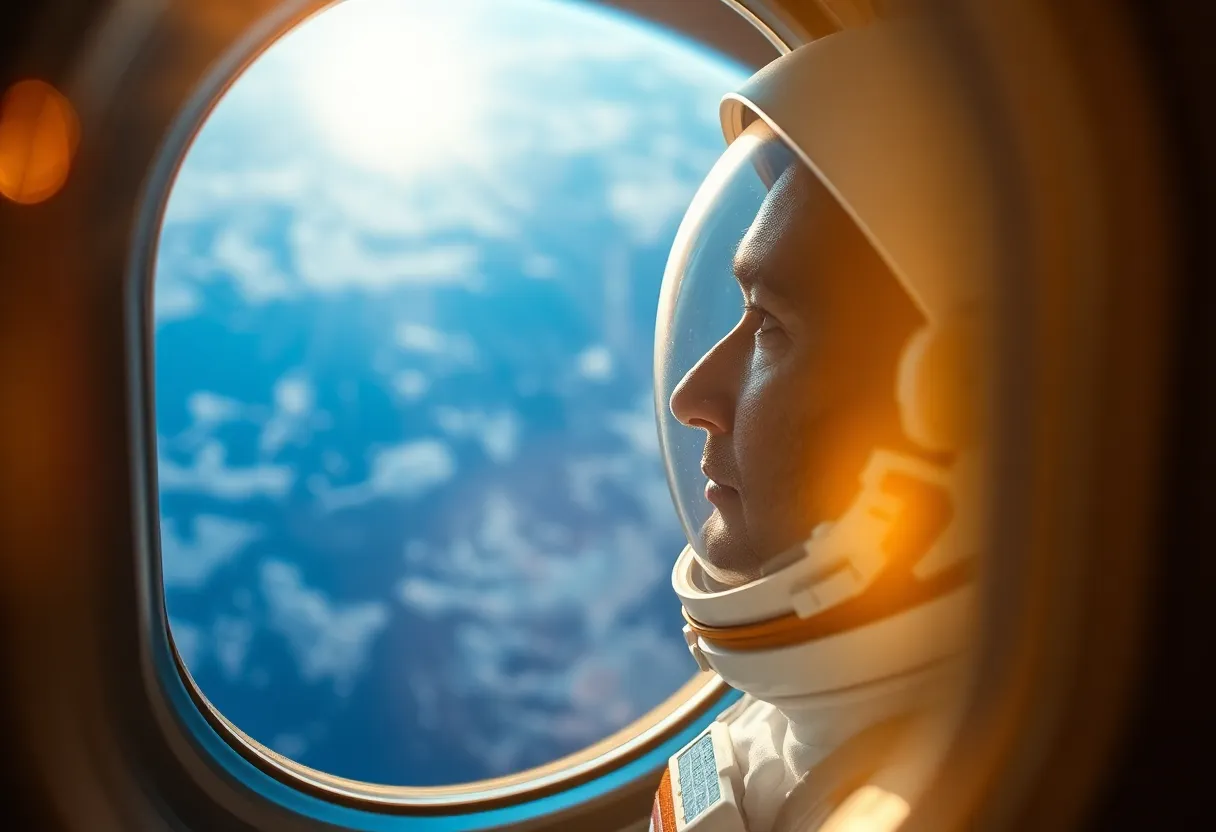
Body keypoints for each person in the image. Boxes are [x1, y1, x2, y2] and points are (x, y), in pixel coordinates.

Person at [648, 17, 996, 832]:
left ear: (958, 409)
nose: (691, 395)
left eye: (770, 324)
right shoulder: (797, 735)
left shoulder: (976, 786)